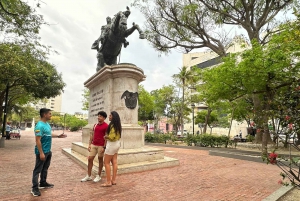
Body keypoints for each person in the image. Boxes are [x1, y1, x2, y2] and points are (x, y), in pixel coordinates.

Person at [31, 108, 65, 197]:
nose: (51, 115)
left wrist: (58, 136)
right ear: (44, 114)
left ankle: (43, 182)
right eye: (49, 114)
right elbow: (37, 140)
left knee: (45, 168)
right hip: (41, 152)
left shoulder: (47, 124)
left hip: (48, 151)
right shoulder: (39, 126)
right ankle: (34, 188)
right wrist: (41, 153)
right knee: (37, 170)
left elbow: (49, 134)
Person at [81, 111, 108, 183]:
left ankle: (98, 176)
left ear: (104, 118)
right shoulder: (95, 125)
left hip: (101, 145)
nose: (98, 117)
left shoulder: (106, 126)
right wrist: (89, 144)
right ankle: (88, 175)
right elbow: (92, 135)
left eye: (100, 116)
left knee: (100, 159)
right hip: (94, 144)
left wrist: (104, 147)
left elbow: (106, 137)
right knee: (90, 159)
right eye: (98, 116)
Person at [101, 111, 122, 187]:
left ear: (113, 117)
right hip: (117, 144)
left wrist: (106, 137)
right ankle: (113, 180)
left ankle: (108, 181)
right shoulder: (118, 125)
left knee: (106, 162)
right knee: (114, 162)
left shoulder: (112, 126)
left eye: (110, 115)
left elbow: (112, 137)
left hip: (112, 144)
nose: (109, 117)